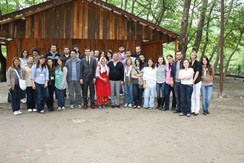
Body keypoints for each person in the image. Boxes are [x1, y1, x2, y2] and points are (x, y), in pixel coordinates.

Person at [190, 51, 202, 115]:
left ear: (195, 56)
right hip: (190, 82)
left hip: (197, 81)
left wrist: (194, 80)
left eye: (194, 55)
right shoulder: (189, 63)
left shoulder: (198, 63)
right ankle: (192, 109)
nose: (192, 56)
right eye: (191, 55)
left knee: (197, 96)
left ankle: (197, 110)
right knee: (192, 96)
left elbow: (197, 72)